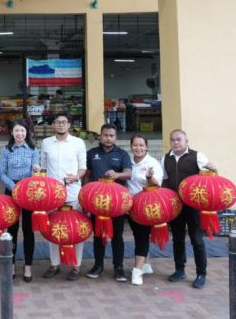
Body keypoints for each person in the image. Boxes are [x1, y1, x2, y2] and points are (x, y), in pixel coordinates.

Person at [161, 129, 217, 290]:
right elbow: (165, 181)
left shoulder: (197, 156)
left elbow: (210, 175)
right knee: (177, 239)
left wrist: (213, 168)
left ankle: (201, 273)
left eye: (179, 139)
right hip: (175, 205)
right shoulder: (165, 158)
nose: (176, 142)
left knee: (196, 240)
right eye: (173, 140)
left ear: (187, 141)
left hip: (194, 206)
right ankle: (180, 270)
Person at [39, 112, 87, 281]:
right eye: (57, 122)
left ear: (69, 125)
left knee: (76, 229)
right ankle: (54, 264)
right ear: (53, 125)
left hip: (73, 192)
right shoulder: (46, 143)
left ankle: (76, 265)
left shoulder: (78, 143)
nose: (60, 125)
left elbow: (83, 168)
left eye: (64, 122)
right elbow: (43, 168)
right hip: (53, 195)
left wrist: (77, 176)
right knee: (53, 229)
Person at [84, 123, 132, 283]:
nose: (108, 138)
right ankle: (98, 265)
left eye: (111, 135)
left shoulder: (122, 154)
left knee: (117, 236)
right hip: (96, 203)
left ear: (115, 137)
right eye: (106, 135)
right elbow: (87, 175)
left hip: (116, 205)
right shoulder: (92, 153)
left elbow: (128, 174)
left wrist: (116, 174)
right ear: (101, 136)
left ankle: (118, 267)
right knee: (98, 235)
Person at [0, 119, 40, 282]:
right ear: (12, 133)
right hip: (11, 190)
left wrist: (36, 170)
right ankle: (12, 264)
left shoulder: (33, 149)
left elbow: (35, 171)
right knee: (12, 229)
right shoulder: (6, 150)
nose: (20, 134)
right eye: (17, 131)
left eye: (22, 131)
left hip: (29, 191)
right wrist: (13, 187)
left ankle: (28, 266)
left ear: (26, 132)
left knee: (29, 229)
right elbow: (2, 173)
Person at [125, 134, 163, 286]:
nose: (138, 148)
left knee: (141, 236)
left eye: (141, 145)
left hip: (146, 207)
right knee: (138, 234)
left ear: (147, 147)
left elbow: (157, 185)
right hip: (131, 206)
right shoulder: (129, 162)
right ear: (131, 146)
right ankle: (146, 265)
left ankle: (137, 271)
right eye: (135, 145)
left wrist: (149, 178)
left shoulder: (152, 163)